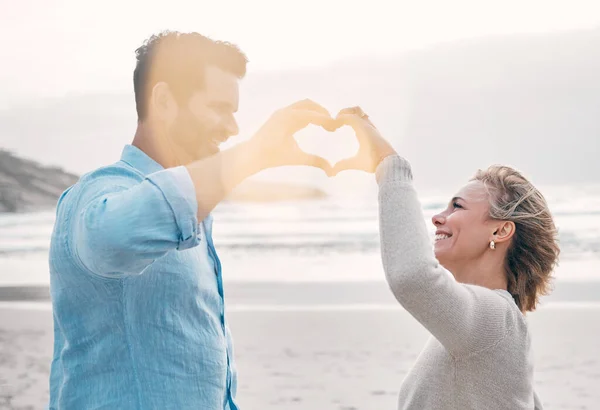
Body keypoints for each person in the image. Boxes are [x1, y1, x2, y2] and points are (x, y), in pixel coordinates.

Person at [47, 31, 337, 409]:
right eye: (218, 108)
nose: (232, 128)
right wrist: (253, 155)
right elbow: (109, 241)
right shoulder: (99, 192)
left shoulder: (196, 210)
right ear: (164, 100)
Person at [330, 106, 559, 409]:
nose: (438, 217)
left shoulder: (494, 322)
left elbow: (412, 277)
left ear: (501, 230)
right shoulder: (494, 330)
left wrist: (391, 166)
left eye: (458, 207)